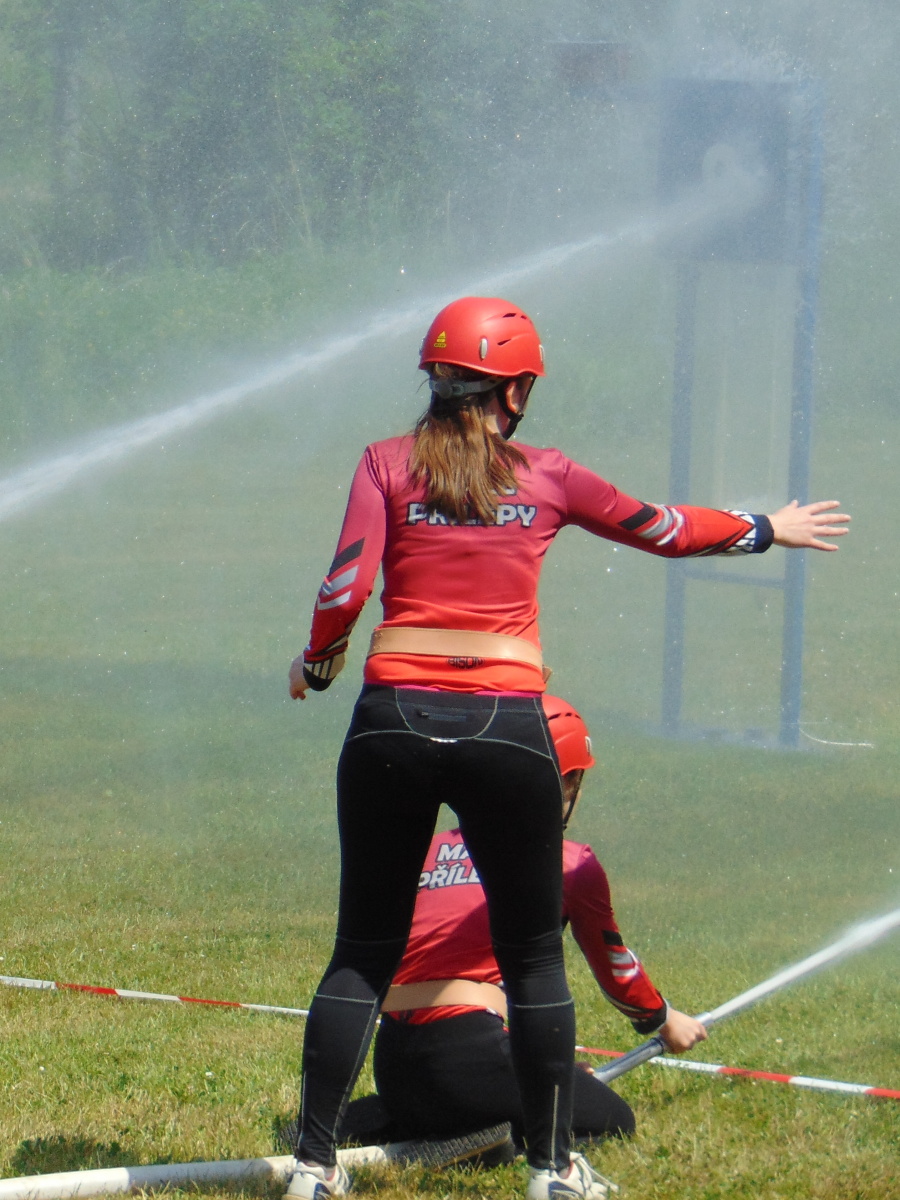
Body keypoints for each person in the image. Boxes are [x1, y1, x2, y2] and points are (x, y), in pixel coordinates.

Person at [285, 295, 849, 1200]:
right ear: (515, 391)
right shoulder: (546, 474)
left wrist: (318, 665)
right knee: (534, 961)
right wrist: (763, 529)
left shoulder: (384, 463)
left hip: (392, 718)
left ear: (435, 382)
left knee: (361, 952)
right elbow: (661, 529)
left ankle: (312, 1170)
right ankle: (552, 1172)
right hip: (506, 723)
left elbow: (345, 586)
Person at [340, 695, 707, 1153]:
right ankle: (484, 1143)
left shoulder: (431, 849)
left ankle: (380, 1121)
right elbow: (615, 967)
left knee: (533, 1083)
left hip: (394, 1063)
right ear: (567, 782)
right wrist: (663, 1018)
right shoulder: (571, 863)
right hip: (469, 1058)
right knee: (613, 1120)